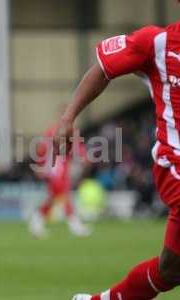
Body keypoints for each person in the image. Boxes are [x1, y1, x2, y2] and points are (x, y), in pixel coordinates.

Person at [51, 9, 180, 300]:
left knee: (170, 270)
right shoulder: (156, 43)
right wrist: (68, 117)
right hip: (175, 164)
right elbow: (103, 67)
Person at [28, 126, 91, 238]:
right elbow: (42, 149)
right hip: (55, 169)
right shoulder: (56, 131)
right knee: (63, 195)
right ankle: (75, 226)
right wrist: (40, 165)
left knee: (54, 197)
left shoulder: (66, 131)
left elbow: (77, 147)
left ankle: (36, 220)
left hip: (61, 168)